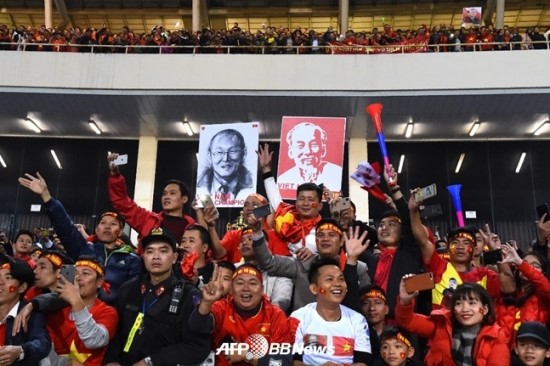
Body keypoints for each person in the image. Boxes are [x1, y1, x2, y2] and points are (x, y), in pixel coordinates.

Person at [18, 172, 142, 305]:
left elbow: (133, 297)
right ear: (96, 229)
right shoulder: (84, 248)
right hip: (75, 311)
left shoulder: (132, 260)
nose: (107, 227)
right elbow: (64, 226)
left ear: (120, 232)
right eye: (103, 223)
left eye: (113, 224)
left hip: (111, 317)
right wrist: (46, 196)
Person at [104, 228, 211, 366]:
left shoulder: (189, 294)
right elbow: (116, 332)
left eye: (163, 250)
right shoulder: (128, 289)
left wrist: (151, 362)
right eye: (149, 251)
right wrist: (112, 360)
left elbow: (197, 346)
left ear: (174, 258)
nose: (155, 256)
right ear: (143, 257)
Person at [408, 192, 515, 310]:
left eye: (466, 243)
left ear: (474, 250)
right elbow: (423, 241)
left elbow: (509, 287)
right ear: (448, 249)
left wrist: (496, 250)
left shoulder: (484, 275)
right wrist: (413, 212)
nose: (460, 246)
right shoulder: (439, 267)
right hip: (443, 328)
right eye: (455, 242)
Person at [253, 218, 370, 312]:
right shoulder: (302, 263)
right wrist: (258, 234)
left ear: (342, 241)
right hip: (305, 332)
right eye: (321, 235)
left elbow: (366, 304)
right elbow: (268, 263)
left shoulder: (358, 268)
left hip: (343, 335)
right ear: (315, 241)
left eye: (331, 235)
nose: (325, 239)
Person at [19, 256, 118, 366]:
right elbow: (45, 349)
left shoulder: (107, 312)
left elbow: (94, 341)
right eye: (75, 273)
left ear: (99, 282)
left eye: (85, 273)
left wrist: (76, 301)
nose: (78, 278)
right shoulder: (55, 310)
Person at [190, 263, 292, 366]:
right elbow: (197, 327)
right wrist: (206, 302)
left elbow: (284, 362)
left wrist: (248, 356)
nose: (246, 288)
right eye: (239, 283)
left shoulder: (275, 315)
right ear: (231, 289)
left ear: (262, 289)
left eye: (252, 283)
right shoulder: (222, 308)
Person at [396, 275, 510, 365]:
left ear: (485, 309)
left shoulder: (496, 338)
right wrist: (405, 301)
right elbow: (407, 321)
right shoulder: (442, 325)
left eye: (472, 303)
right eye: (459, 303)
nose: (465, 309)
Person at [289, 257, 373, 366]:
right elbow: (294, 362)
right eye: (329, 279)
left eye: (341, 279)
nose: (337, 284)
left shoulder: (358, 320)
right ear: (314, 289)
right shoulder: (298, 318)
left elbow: (363, 363)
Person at [107, 153, 196, 246]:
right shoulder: (148, 219)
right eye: (164, 194)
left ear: (184, 199)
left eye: (172, 193)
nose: (166, 197)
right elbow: (121, 202)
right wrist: (115, 176)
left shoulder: (193, 227)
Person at [0, 254, 51, 365]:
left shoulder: (32, 315)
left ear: (22, 287)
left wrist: (21, 351)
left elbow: (43, 344)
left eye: (8, 278)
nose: (0, 282)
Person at [496, 244, 550, 348]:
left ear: (542, 273)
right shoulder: (507, 293)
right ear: (517, 270)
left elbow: (545, 287)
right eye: (526, 263)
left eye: (535, 265)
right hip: (503, 352)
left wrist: (521, 263)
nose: (529, 267)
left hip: (529, 351)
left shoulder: (543, 296)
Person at [236, 227, 293, 312]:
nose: (244, 242)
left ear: (264, 245)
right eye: (241, 240)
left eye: (250, 239)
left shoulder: (280, 269)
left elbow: (282, 299)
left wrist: (265, 316)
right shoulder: (234, 269)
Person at [277, 122, 342, 191]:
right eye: (300, 145)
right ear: (290, 151)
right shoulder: (284, 178)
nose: (307, 151)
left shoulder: (336, 173)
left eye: (314, 144)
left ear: (323, 149)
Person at [196, 128, 254, 205]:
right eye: (219, 152)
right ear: (209, 156)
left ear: (243, 154)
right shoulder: (201, 188)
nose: (225, 159)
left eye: (232, 151)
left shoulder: (251, 187)